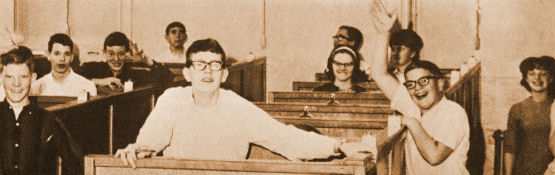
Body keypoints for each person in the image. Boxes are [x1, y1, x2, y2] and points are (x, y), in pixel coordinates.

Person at [114, 39, 371, 168]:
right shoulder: (172, 98)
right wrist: (138, 148)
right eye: (200, 64)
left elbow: (285, 139)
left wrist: (338, 145)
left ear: (224, 74)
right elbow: (151, 139)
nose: (207, 71)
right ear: (187, 73)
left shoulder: (237, 107)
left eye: (215, 65)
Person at [0, 46, 83, 175]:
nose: (16, 84)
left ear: (33, 78)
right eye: (9, 77)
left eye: (23, 77)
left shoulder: (49, 121)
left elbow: (77, 164)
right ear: (1, 78)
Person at [401, 60, 470, 174]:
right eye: (410, 84)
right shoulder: (413, 111)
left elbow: (434, 157)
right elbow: (381, 76)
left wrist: (412, 123)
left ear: (440, 84)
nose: (417, 88)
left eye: (423, 81)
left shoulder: (454, 112)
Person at [503, 56, 555, 175]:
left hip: (554, 171)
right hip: (523, 171)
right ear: (526, 78)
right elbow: (510, 148)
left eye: (543, 74)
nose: (537, 78)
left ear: (551, 78)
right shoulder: (518, 109)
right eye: (532, 74)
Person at [369, 1, 421, 118]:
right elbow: (379, 75)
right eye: (393, 49)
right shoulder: (412, 108)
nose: (395, 54)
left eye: (401, 49)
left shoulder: (454, 112)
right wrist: (383, 34)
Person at [78, 32, 174, 91]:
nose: (116, 59)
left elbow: (168, 77)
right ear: (104, 53)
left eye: (121, 54)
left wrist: (147, 60)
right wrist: (99, 81)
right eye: (111, 54)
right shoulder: (91, 68)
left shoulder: (135, 72)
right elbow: (68, 78)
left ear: (127, 53)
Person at [30, 33, 97, 97]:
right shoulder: (36, 87)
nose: (62, 58)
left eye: (67, 54)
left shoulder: (87, 86)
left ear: (72, 57)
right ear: (48, 55)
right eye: (57, 53)